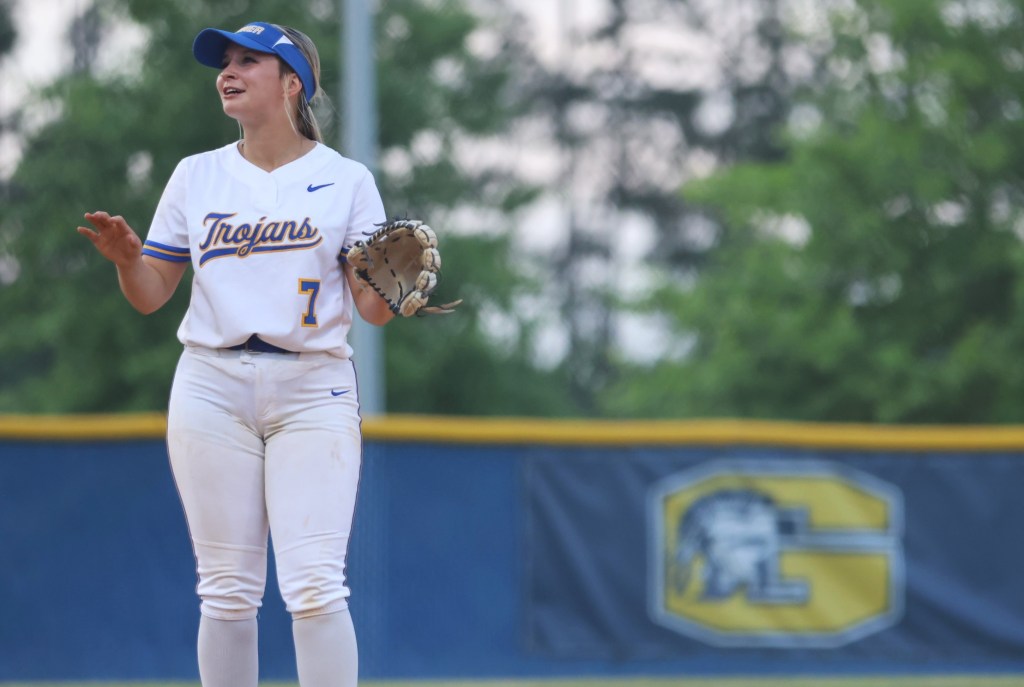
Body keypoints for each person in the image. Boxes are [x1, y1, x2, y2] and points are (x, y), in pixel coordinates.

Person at [77, 21, 393, 687]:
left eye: (250, 61)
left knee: (315, 585)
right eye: (225, 61)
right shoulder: (197, 175)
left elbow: (372, 310)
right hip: (211, 384)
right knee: (225, 589)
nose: (229, 71)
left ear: (292, 83)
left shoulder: (346, 180)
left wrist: (396, 284)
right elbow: (151, 294)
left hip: (314, 386)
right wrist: (129, 262)